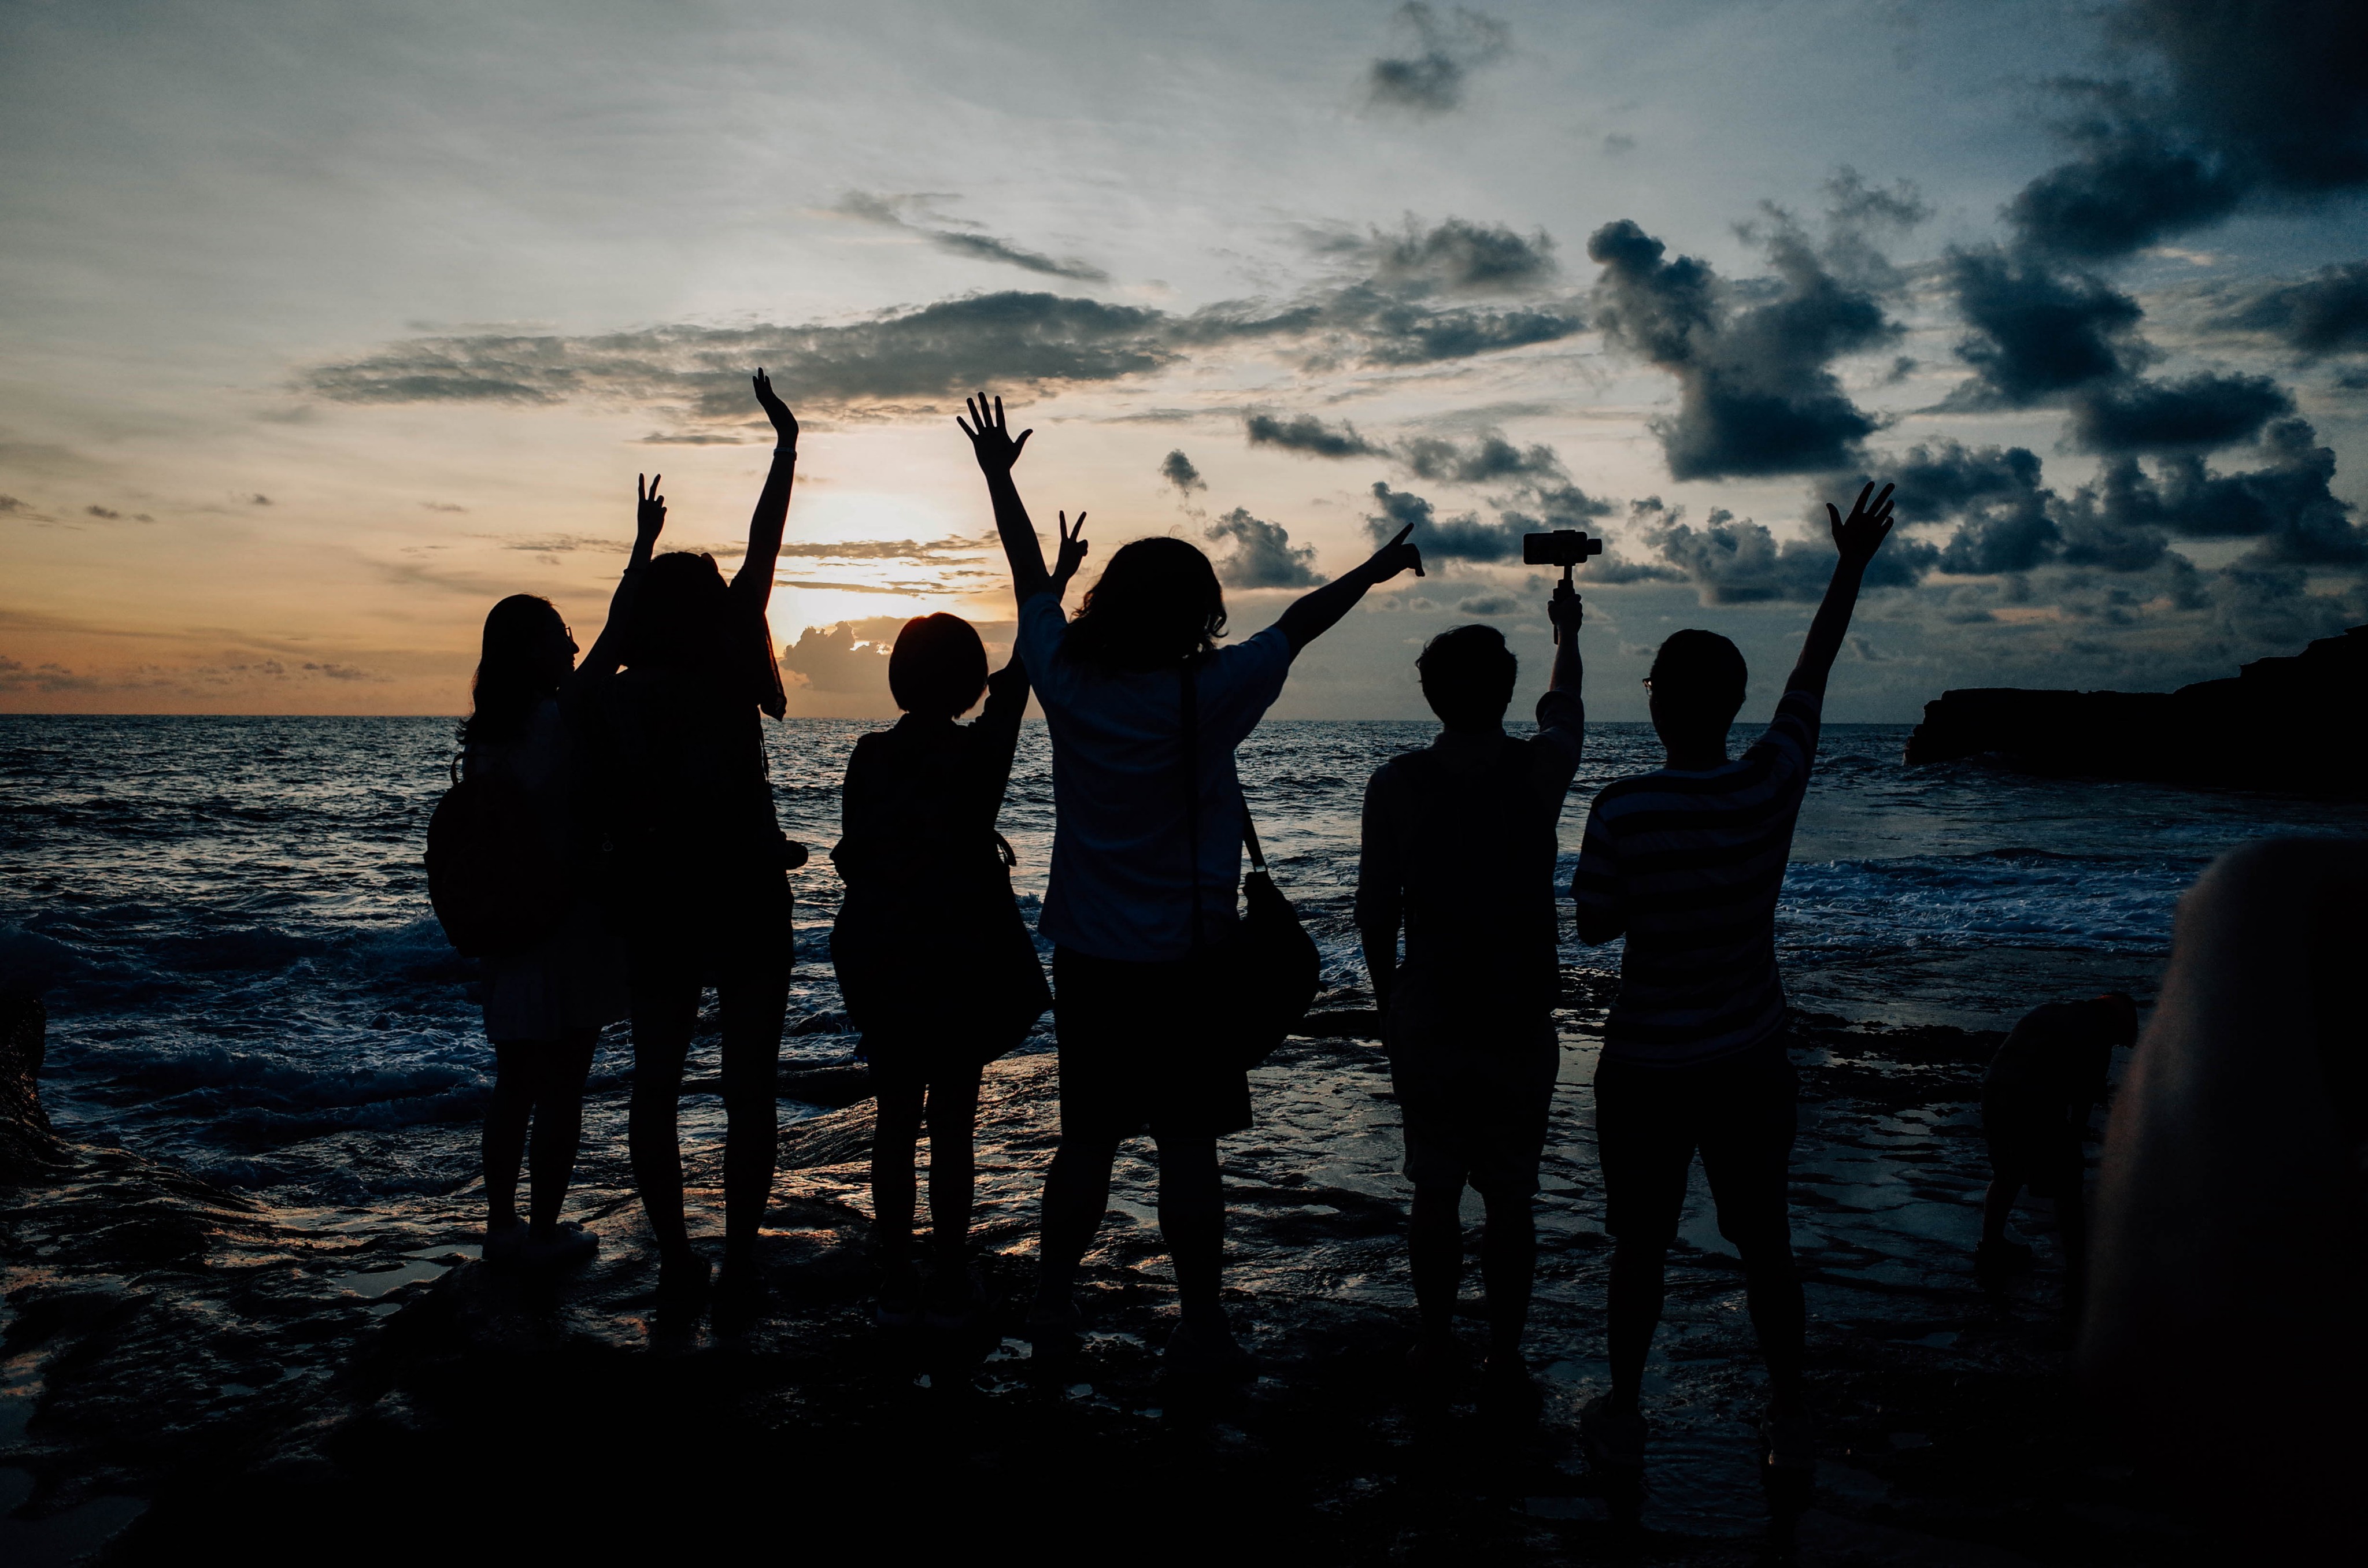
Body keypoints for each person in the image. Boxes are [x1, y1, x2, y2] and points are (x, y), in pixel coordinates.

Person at [955, 391, 1423, 1373]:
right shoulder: (1213, 691)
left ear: (1109, 605)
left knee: (1086, 1142)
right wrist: (1374, 570)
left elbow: (1029, 577)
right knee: (1186, 1145)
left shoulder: (1066, 679)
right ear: (1198, 615)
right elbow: (1298, 623)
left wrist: (999, 477)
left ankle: (1051, 1307)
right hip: (1189, 962)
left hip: (1091, 958)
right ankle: (1202, 1323)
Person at [1569, 481, 1896, 1477]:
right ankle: (1789, 1411)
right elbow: (1814, 671)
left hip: (1645, 1063)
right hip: (1750, 1054)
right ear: (1735, 705)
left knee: (1640, 1246)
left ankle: (1626, 1406)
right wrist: (1848, 565)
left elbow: (1595, 924)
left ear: (1656, 702)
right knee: (1765, 1240)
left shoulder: (1622, 808)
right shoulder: (1769, 782)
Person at [831, 541, 1082, 1331]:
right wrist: (1051, 588)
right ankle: (946, 1272)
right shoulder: (980, 755)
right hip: (960, 959)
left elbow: (855, 856)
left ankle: (895, 1275)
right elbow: (1019, 679)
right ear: (967, 683)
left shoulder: (869, 755)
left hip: (886, 956)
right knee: (953, 1125)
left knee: (894, 1121)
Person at [596, 369, 807, 1305]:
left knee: (655, 1083)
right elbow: (766, 541)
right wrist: (785, 446)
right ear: (720, 608)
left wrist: (638, 553)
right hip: (747, 889)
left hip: (657, 896)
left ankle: (679, 1256)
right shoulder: (730, 667)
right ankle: (743, 1254)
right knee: (748, 1087)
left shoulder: (620, 694)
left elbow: (619, 627)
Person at [1355, 588, 1585, 1408]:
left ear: (1430, 695)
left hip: (1432, 1007)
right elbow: (1566, 707)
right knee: (1512, 1196)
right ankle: (1505, 1355)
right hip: (1517, 1010)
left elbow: (1376, 911)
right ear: (1506, 691)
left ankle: (1434, 1339)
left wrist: (1389, 1003)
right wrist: (1566, 635)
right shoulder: (1539, 770)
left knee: (1435, 1185)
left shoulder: (1397, 783)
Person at [461, 477, 665, 1269]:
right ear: (530, 651)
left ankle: (502, 1226)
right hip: (567, 921)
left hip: (512, 927)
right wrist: (642, 550)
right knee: (565, 1084)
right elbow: (617, 638)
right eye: (559, 636)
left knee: (514, 1082)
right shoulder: (559, 720)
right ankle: (544, 1232)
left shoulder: (488, 737)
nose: (574, 648)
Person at [1977, 992, 2136, 1299]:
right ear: (2116, 1022)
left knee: (2007, 1173)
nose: (2116, 1045)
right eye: (2119, 1040)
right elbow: (2084, 1100)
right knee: (2068, 1184)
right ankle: (2078, 1268)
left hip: (1995, 1093)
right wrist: (2074, 1140)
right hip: (2033, 1102)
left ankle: (1991, 1245)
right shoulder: (2097, 1034)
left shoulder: (2049, 1010)